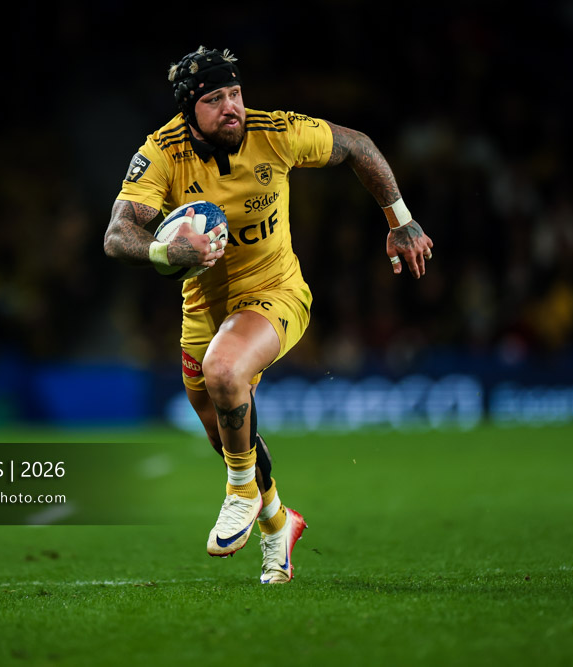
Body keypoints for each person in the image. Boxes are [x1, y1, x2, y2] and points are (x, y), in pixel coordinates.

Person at [103, 46, 434, 584]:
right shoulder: (161, 152)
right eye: (215, 100)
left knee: (225, 372)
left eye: (235, 93)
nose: (232, 107)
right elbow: (118, 235)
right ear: (190, 109)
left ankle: (240, 495)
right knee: (225, 428)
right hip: (203, 311)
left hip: (275, 292)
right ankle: (279, 522)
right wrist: (167, 254)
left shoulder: (273, 131)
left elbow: (357, 145)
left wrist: (401, 220)